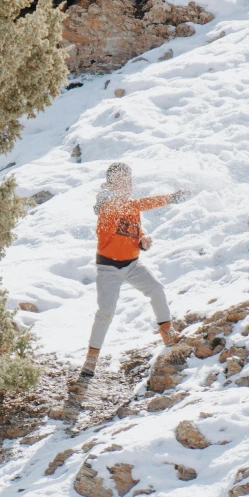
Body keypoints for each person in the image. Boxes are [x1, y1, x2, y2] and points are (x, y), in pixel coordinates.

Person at [80, 162, 190, 379]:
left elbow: (133, 230)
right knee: (106, 312)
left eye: (128, 181)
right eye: (120, 181)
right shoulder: (108, 205)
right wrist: (170, 198)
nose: (126, 185)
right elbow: (124, 204)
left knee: (156, 289)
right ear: (110, 185)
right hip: (108, 268)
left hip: (132, 264)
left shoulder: (130, 207)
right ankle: (92, 357)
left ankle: (168, 334)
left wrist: (143, 239)